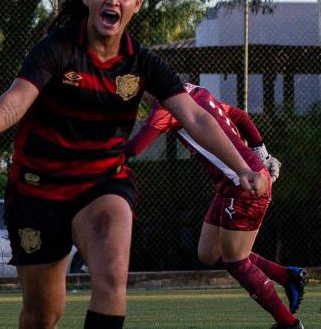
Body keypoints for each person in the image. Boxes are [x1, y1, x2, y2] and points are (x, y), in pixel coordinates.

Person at [0, 0, 268, 329]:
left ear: (137, 4)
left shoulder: (143, 63)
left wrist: (242, 167)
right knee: (42, 314)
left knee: (113, 276)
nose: (113, 0)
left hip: (103, 183)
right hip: (38, 189)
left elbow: (196, 116)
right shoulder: (56, 49)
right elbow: (17, 99)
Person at [125, 83, 306, 329]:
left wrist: (96, 150)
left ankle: (289, 324)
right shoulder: (195, 92)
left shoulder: (165, 106)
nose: (140, 96)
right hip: (233, 184)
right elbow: (240, 116)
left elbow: (136, 147)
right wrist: (262, 155)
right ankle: (286, 275)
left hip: (244, 185)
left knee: (236, 261)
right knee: (209, 254)